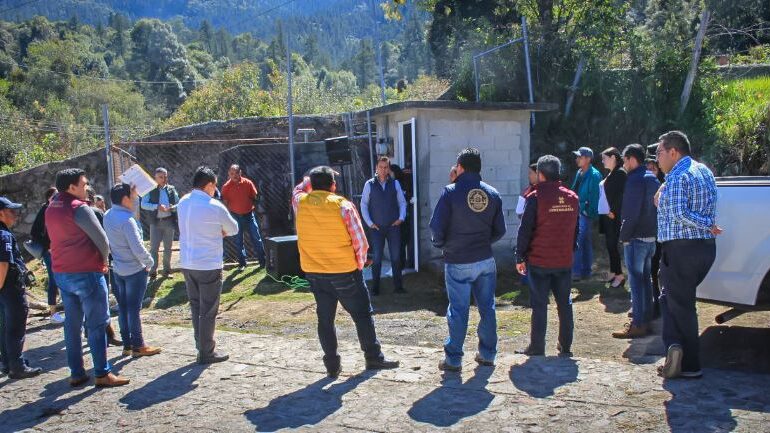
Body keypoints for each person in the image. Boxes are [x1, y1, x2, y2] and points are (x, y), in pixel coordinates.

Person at [293, 166, 399, 377]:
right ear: (334, 186)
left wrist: (308, 178)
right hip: (344, 271)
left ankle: (332, 365)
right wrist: (359, 265)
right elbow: (360, 241)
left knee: (325, 319)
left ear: (312, 185)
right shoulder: (343, 206)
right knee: (362, 315)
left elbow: (297, 189)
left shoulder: (300, 202)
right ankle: (373, 357)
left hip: (314, 271)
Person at [46, 168, 129, 387]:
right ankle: (102, 373)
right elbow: (102, 240)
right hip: (86, 272)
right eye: (83, 184)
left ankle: (76, 372)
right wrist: (103, 262)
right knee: (96, 324)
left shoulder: (51, 207)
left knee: (72, 325)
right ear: (72, 187)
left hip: (62, 273)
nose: (87, 188)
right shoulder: (79, 208)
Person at [430, 148, 506, 371]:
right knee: (487, 308)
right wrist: (482, 243)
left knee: (458, 310)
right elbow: (500, 230)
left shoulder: (450, 192)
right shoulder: (492, 193)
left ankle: (453, 359)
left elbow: (436, 227)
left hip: (458, 260)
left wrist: (442, 245)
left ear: (460, 167)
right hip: (485, 260)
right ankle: (488, 354)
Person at [655, 131, 721, 379]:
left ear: (674, 152)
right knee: (670, 297)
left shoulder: (677, 176)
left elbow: (679, 213)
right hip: (704, 248)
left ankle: (689, 363)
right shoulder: (703, 170)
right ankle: (674, 346)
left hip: (681, 249)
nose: (657, 158)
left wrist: (706, 223)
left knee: (681, 305)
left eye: (659, 153)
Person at [515, 155, 579, 357]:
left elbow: (525, 230)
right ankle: (566, 345)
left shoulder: (535, 198)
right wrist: (570, 250)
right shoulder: (572, 197)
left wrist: (519, 256)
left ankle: (537, 346)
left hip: (540, 261)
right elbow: (575, 229)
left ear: (540, 174)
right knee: (564, 303)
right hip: (563, 260)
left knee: (540, 305)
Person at [178, 166, 239, 364]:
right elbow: (233, 228)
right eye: (215, 186)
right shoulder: (214, 205)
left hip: (188, 262)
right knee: (208, 310)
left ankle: (200, 345)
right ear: (210, 185)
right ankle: (206, 351)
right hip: (208, 263)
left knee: (196, 306)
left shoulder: (183, 202)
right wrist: (220, 231)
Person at [104, 183, 161, 358]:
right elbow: (137, 248)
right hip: (135, 270)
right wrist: (150, 262)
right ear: (125, 199)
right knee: (134, 309)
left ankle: (127, 345)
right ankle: (138, 345)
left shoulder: (108, 215)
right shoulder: (127, 221)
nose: (135, 199)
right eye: (132, 196)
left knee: (123, 308)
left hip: (118, 268)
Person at [612, 144, 660, 339]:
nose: (624, 164)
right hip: (651, 237)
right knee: (646, 280)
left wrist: (624, 236)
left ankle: (638, 323)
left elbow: (630, 213)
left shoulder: (635, 180)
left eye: (624, 160)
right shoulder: (652, 178)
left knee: (636, 282)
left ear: (632, 159)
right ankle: (646, 319)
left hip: (636, 238)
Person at [0, 196, 42, 379]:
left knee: (4, 326)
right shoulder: (4, 236)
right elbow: (3, 265)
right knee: (15, 327)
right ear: (1, 214)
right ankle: (17, 366)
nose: (16, 215)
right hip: (9, 288)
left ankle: (8, 363)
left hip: (4, 289)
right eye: (11, 212)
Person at [360, 156, 407, 295]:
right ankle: (375, 288)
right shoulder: (369, 184)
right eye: (380, 167)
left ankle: (398, 287)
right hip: (377, 228)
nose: (383, 169)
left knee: (396, 257)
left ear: (389, 169)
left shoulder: (395, 184)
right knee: (377, 258)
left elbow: (402, 203)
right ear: (376, 168)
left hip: (393, 226)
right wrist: (369, 223)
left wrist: (401, 218)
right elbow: (363, 204)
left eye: (386, 167)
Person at [86, 186, 122, 347]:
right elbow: (105, 238)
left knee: (90, 301)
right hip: (98, 262)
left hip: (83, 263)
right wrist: (109, 258)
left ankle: (99, 332)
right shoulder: (95, 213)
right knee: (101, 299)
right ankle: (106, 335)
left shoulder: (70, 212)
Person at [221, 164, 267, 269]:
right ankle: (242, 263)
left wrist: (251, 206)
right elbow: (224, 202)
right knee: (238, 240)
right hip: (235, 216)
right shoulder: (226, 187)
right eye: (232, 173)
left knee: (256, 238)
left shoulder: (248, 183)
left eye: (236, 173)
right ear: (229, 174)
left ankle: (263, 262)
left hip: (249, 215)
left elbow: (254, 196)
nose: (234, 175)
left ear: (240, 172)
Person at [141, 167, 179, 279]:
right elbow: (143, 204)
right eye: (161, 177)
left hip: (169, 221)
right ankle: (153, 271)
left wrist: (173, 208)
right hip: (156, 222)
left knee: (168, 247)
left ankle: (167, 271)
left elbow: (178, 203)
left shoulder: (171, 189)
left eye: (165, 176)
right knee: (154, 248)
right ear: (155, 178)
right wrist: (156, 207)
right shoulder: (150, 190)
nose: (164, 179)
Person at [570, 146, 602, 281]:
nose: (577, 159)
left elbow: (595, 198)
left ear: (588, 159)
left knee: (578, 241)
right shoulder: (580, 172)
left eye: (580, 157)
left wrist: (586, 211)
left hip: (585, 212)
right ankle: (585, 272)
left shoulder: (594, 175)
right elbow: (574, 190)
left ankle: (576, 272)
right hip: (579, 211)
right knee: (585, 242)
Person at [599, 148, 627, 288]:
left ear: (613, 157)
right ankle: (613, 271)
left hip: (613, 216)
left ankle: (620, 275)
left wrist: (613, 210)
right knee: (610, 246)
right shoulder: (612, 173)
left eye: (605, 158)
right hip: (607, 215)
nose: (603, 161)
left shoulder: (621, 173)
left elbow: (622, 195)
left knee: (613, 245)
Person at [31, 187, 59, 316]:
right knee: (53, 279)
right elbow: (34, 233)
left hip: (61, 250)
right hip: (50, 252)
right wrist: (48, 246)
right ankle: (53, 313)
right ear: (48, 198)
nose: (57, 198)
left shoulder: (59, 210)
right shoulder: (44, 210)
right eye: (54, 196)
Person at [646, 145, 666, 319]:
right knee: (652, 270)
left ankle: (659, 305)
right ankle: (655, 305)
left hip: (662, 235)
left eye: (653, 168)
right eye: (648, 168)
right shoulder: (650, 184)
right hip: (652, 232)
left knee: (658, 270)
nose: (650, 170)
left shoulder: (663, 185)